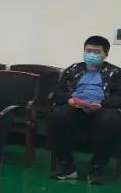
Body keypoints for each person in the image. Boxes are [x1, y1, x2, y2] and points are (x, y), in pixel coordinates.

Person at [49, 35, 121, 184]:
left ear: (106, 54)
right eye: (88, 51)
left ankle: (97, 166)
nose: (91, 55)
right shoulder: (73, 69)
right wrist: (69, 99)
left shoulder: (116, 73)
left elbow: (118, 97)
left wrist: (101, 103)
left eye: (97, 52)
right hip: (75, 107)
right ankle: (66, 165)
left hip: (101, 109)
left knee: (111, 119)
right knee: (58, 115)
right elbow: (57, 92)